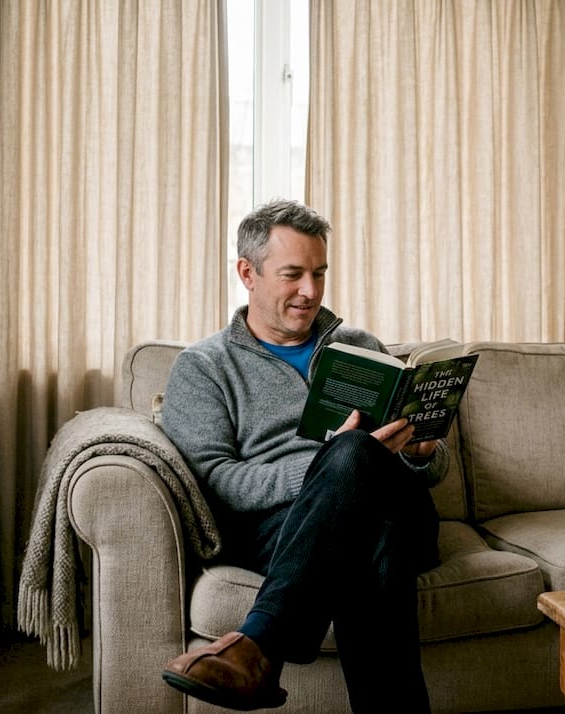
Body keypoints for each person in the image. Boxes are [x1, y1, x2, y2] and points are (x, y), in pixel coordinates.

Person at [159, 199, 447, 712]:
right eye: (293, 274)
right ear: (248, 273)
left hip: (405, 511)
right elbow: (217, 482)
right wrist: (327, 464)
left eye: (319, 273)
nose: (310, 291)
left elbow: (423, 473)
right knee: (371, 541)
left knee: (357, 455)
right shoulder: (204, 367)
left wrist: (423, 451)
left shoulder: (359, 345)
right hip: (284, 530)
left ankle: (260, 645)